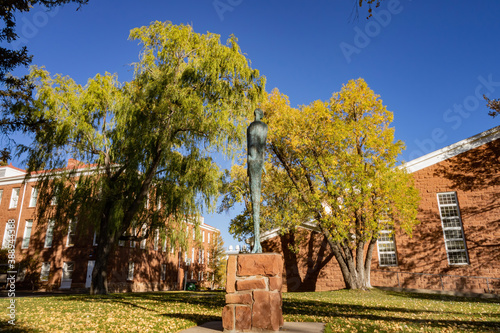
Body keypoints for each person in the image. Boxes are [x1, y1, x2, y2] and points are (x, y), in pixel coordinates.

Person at [247, 108, 268, 253]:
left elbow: (251, 146)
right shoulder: (263, 127)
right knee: (255, 201)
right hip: (256, 161)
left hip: (252, 160)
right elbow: (262, 145)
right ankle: (257, 243)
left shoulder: (250, 127)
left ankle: (257, 243)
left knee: (255, 200)